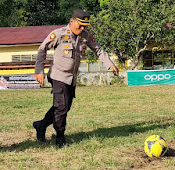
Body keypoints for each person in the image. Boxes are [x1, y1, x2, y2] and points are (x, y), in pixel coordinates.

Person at [32, 9, 119, 148]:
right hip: (58, 75)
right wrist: (39, 71)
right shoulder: (59, 34)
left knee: (63, 107)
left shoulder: (85, 36)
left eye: (85, 26)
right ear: (72, 21)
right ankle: (60, 139)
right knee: (62, 107)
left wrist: (110, 64)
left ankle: (41, 125)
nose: (83, 28)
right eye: (80, 25)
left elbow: (98, 50)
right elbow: (42, 49)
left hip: (72, 78)